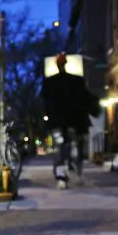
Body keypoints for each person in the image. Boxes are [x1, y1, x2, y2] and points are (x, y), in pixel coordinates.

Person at [40, 53, 101, 189]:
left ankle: (62, 176)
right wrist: (94, 108)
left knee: (61, 149)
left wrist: (47, 119)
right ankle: (74, 171)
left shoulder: (49, 82)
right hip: (75, 122)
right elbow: (85, 98)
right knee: (76, 148)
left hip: (58, 123)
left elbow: (45, 103)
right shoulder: (76, 80)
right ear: (65, 64)